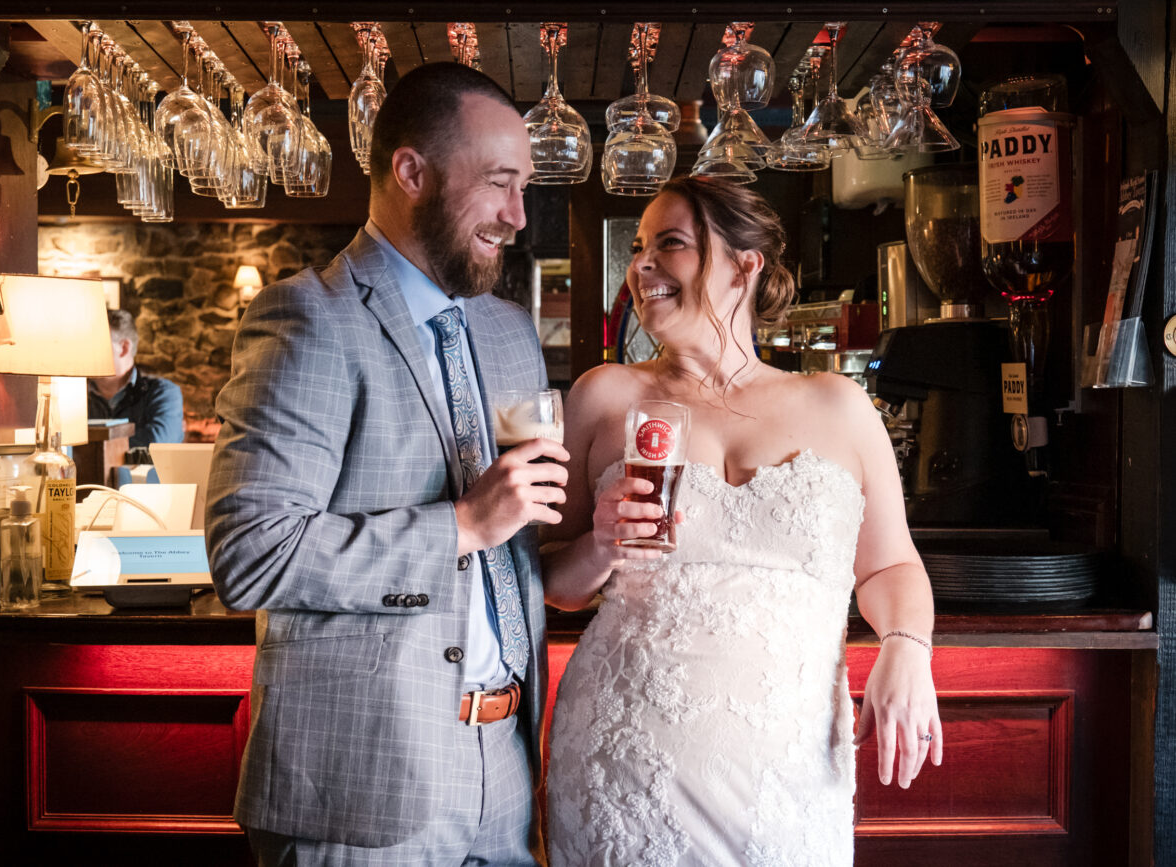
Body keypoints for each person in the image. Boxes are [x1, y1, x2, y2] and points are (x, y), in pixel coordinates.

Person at [206, 62, 567, 866]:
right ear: (412, 171)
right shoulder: (307, 320)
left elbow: (517, 541)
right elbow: (251, 554)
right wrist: (463, 525)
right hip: (363, 785)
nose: (518, 216)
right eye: (500, 184)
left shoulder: (510, 331)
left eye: (524, 188)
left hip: (507, 766)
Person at [543, 176, 940, 866]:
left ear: (744, 265)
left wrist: (908, 646)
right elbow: (554, 581)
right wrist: (599, 545)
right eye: (638, 248)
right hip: (624, 759)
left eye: (670, 244)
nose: (641, 265)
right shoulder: (603, 397)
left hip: (787, 767)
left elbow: (890, 566)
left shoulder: (838, 405)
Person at [87, 309, 184, 449]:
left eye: (94, 345)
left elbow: (158, 444)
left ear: (124, 348)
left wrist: (90, 446)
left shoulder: (162, 393)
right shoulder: (73, 398)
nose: (85, 352)